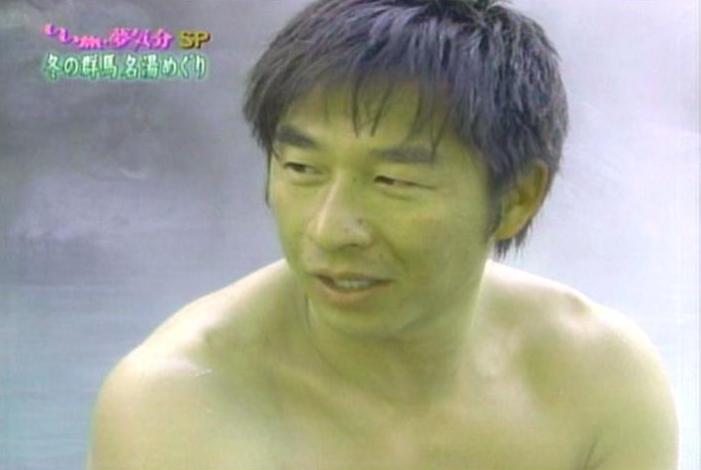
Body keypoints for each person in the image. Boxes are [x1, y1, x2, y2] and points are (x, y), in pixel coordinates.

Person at [87, 1, 678, 469]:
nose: (330, 230)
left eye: (393, 180)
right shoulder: (178, 405)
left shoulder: (599, 381)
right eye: (302, 168)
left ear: (518, 198)